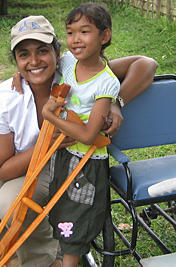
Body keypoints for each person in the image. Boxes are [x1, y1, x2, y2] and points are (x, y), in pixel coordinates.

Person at [0, 14, 158, 267]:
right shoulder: (5, 97)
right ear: (15, 61)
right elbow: (0, 168)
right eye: (24, 54)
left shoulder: (76, 71)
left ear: (58, 53)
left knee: (10, 203)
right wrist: (48, 144)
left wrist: (115, 102)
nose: (35, 61)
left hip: (60, 163)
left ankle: (50, 259)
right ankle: (23, 250)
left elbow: (146, 64)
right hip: (17, 162)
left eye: (42, 51)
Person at [42, 3, 118, 266]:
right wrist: (19, 74)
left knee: (75, 219)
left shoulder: (106, 82)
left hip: (87, 164)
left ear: (104, 37)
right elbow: (42, 66)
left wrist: (50, 115)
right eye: (70, 32)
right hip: (62, 155)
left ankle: (70, 262)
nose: (75, 39)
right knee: (62, 211)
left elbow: (87, 135)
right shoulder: (67, 62)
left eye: (84, 32)